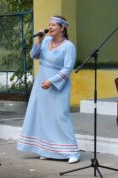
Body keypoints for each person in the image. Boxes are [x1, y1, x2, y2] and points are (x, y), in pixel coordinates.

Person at [17, 16, 80, 164]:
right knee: (43, 116)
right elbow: (34, 55)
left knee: (60, 116)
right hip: (41, 85)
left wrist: (51, 82)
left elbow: (68, 69)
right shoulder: (45, 41)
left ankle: (72, 152)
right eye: (49, 25)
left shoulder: (68, 46)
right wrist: (39, 41)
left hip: (58, 87)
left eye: (53, 25)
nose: (50, 27)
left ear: (62, 28)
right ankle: (47, 150)